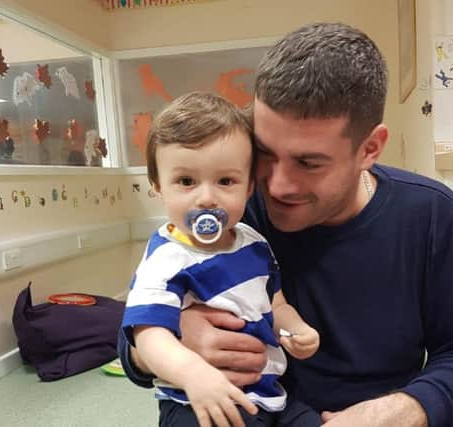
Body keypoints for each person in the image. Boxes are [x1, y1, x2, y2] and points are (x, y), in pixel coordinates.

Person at [119, 23, 453, 427]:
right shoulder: (235, 206)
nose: (277, 186)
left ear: (369, 148)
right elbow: (133, 333)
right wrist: (175, 339)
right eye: (265, 153)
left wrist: (400, 412)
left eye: (309, 163)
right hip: (256, 410)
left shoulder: (432, 215)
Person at [121, 91, 321, 427]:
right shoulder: (167, 257)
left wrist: (295, 329)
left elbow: (276, 304)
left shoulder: (255, 243)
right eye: (186, 181)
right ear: (157, 186)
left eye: (225, 181)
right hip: (196, 401)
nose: (206, 197)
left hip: (270, 395)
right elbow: (148, 335)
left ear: (247, 188)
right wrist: (193, 374)